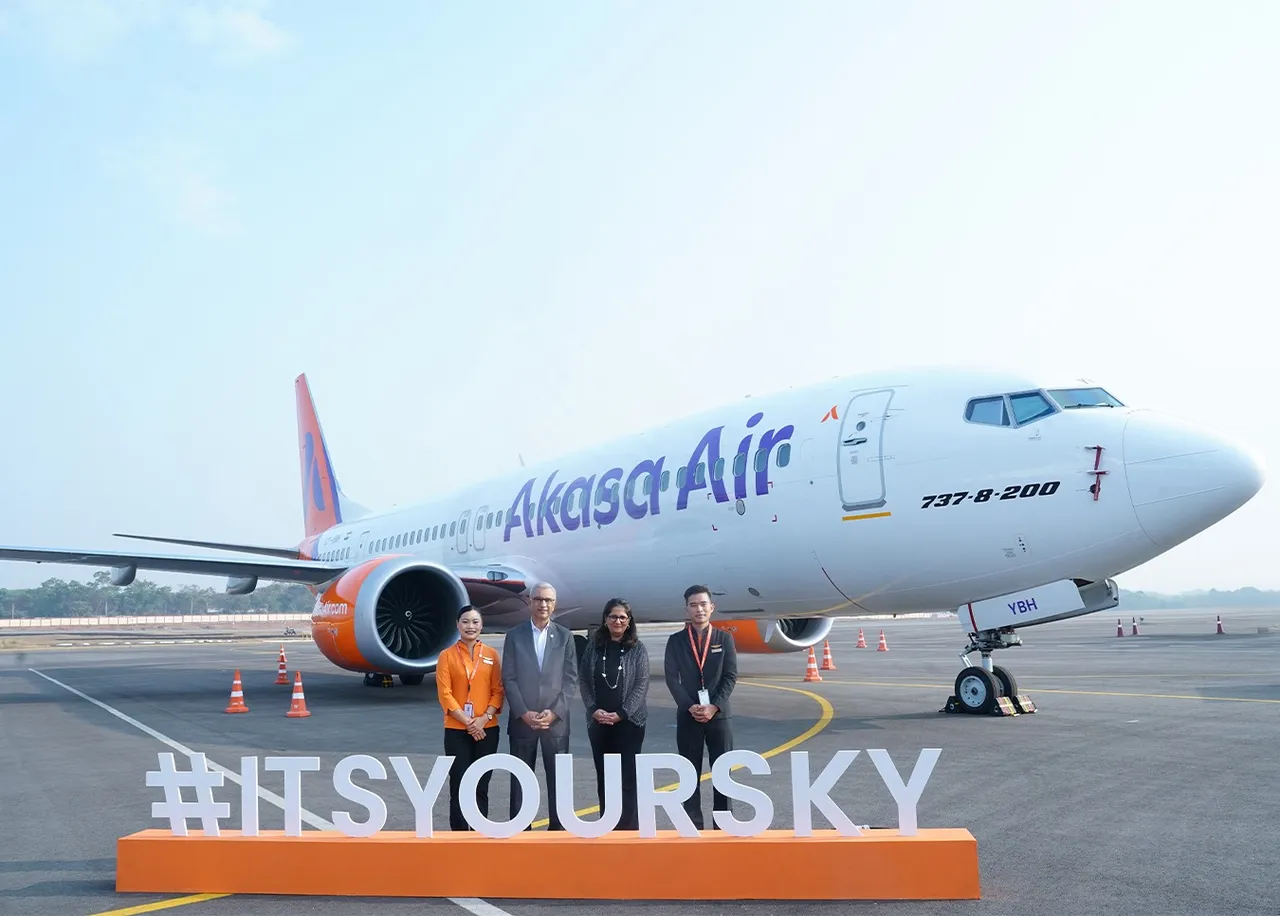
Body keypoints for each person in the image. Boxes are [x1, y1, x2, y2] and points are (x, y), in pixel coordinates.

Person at [501, 581, 579, 830]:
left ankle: (559, 828)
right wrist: (524, 713)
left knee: (558, 780)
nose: (543, 604)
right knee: (521, 781)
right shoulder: (514, 636)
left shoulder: (565, 637)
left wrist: (554, 713)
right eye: (538, 599)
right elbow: (509, 678)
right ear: (529, 602)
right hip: (523, 722)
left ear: (554, 604)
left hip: (555, 723)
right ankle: (520, 830)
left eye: (548, 600)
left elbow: (570, 680)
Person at [664, 583, 738, 829]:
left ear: (712, 607)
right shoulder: (675, 641)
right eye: (693, 605)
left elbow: (730, 676)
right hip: (689, 716)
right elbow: (672, 678)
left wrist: (714, 706)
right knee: (689, 773)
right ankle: (692, 825)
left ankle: (723, 824)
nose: (699, 609)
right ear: (686, 609)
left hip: (718, 716)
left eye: (703, 604)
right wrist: (689, 706)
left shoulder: (724, 639)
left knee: (722, 773)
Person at [577, 597, 649, 830]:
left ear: (629, 622)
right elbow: (585, 681)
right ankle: (608, 825)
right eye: (612, 616)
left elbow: (641, 684)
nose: (617, 621)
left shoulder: (637, 649)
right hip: (598, 723)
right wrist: (593, 709)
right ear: (605, 620)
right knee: (605, 777)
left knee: (627, 777)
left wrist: (622, 713)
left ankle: (629, 827)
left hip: (629, 723)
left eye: (622, 617)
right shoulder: (594, 647)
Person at [435, 605, 504, 831]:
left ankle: (480, 830)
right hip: (457, 730)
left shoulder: (492, 655)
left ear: (482, 625)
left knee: (481, 784)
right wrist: (469, 723)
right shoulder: (446, 656)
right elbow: (445, 694)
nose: (470, 626)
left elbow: (498, 690)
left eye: (475, 622)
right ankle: (459, 834)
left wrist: (484, 718)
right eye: (465, 621)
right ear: (457, 624)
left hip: (488, 728)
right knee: (459, 783)